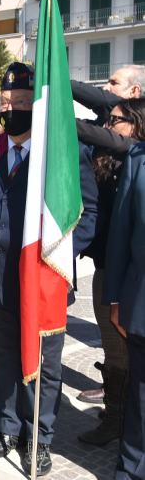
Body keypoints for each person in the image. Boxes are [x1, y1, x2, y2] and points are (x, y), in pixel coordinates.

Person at [0, 63, 97, 476]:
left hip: (42, 279)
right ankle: (8, 426)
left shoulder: (58, 157)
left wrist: (62, 256)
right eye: (7, 103)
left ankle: (39, 436)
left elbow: (86, 213)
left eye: (22, 103)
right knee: (2, 357)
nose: (12, 109)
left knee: (44, 363)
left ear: (36, 105)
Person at [77, 99, 145, 446]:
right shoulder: (104, 158)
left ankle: (125, 419)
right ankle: (116, 415)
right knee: (114, 350)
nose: (107, 125)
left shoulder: (135, 153)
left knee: (128, 353)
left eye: (115, 120)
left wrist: (58, 108)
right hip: (107, 268)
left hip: (135, 280)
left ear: (135, 124)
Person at [104, 141, 145, 480]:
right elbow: (120, 232)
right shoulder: (138, 157)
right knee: (141, 396)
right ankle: (132, 467)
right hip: (143, 302)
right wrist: (116, 297)